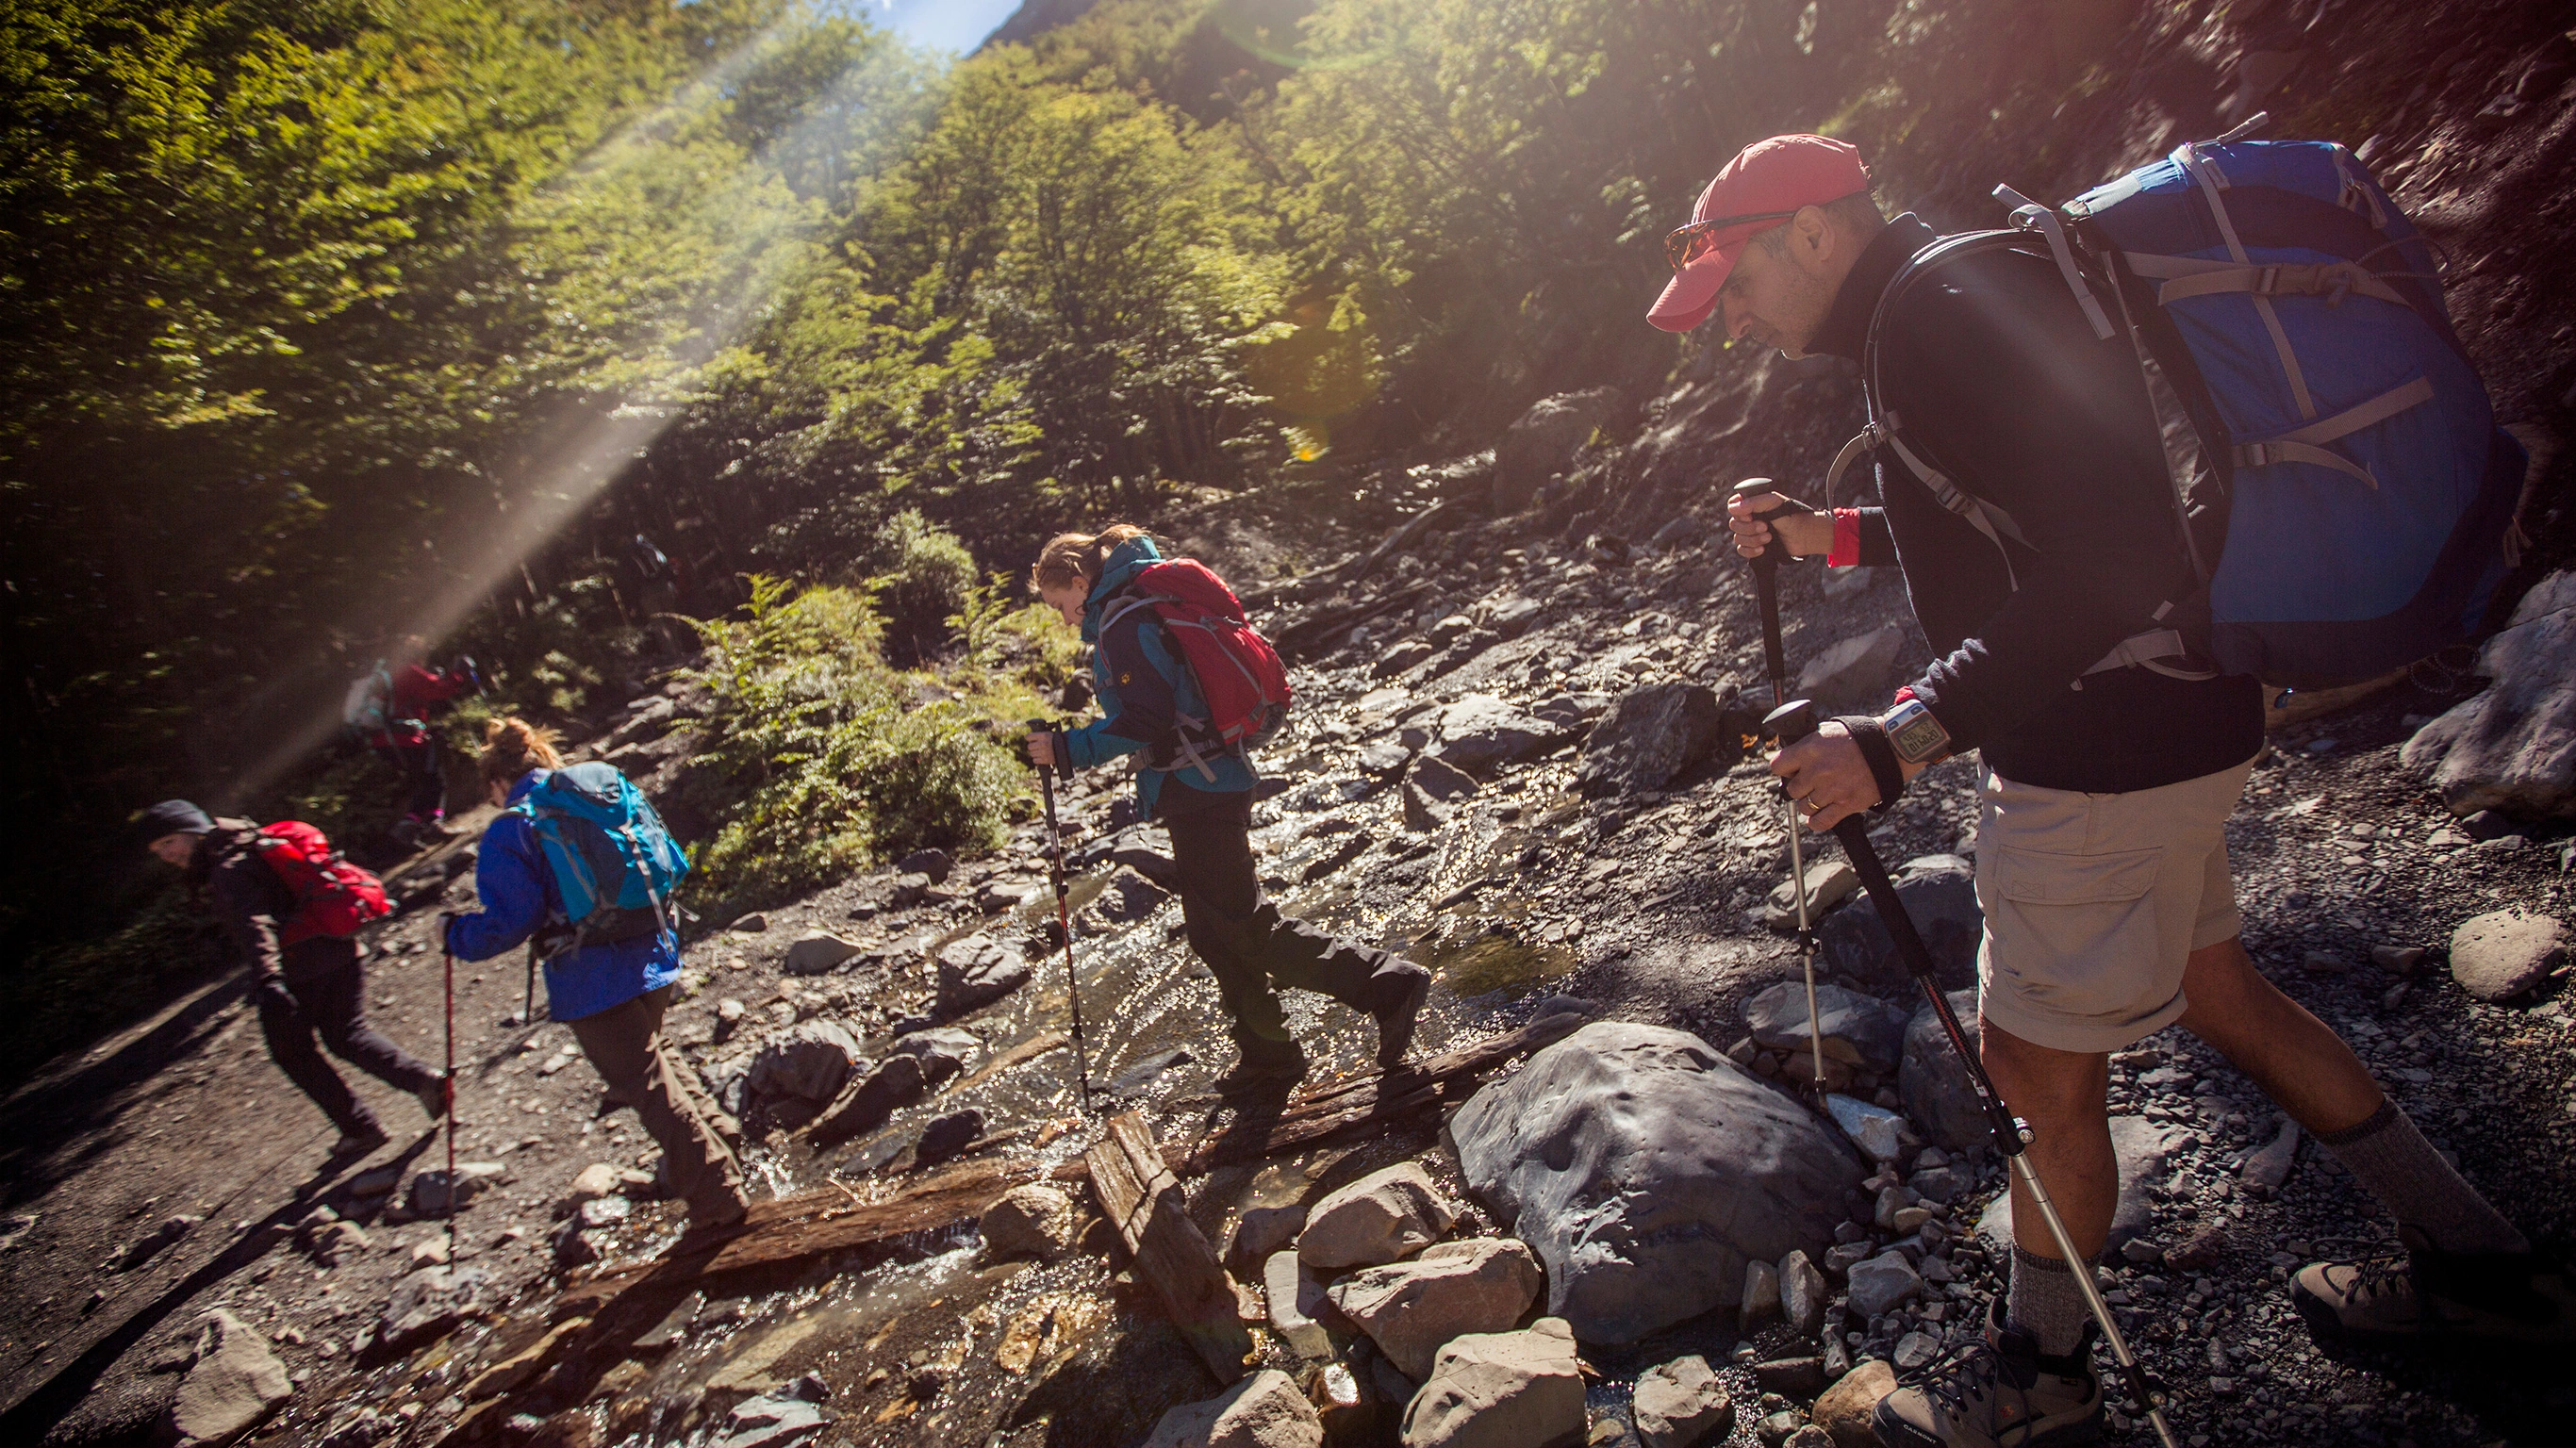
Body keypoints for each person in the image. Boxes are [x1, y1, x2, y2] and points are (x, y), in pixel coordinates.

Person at [1645, 133, 2570, 1445]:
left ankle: (2041, 1383)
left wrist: (1899, 740)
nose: (1730, 320)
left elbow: (2119, 553)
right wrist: (1824, 532)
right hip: (2168, 719)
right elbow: (2014, 515)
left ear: (1811, 232)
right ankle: (2482, 1268)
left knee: (2033, 1070)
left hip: (2101, 754)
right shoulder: (1941, 292)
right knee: (2220, 994)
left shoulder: (1938, 315)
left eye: (1734, 285)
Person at [1022, 526, 1430, 1088]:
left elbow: (1146, 719)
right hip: (1204, 779)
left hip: (1202, 786)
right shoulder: (1139, 603)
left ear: (1078, 580)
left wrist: (1067, 748)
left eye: (1060, 605)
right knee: (1213, 933)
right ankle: (1268, 1055)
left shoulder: (1123, 621)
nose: (1066, 620)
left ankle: (1387, 984)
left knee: (1247, 928)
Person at [440, 719, 749, 1230]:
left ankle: (718, 1198)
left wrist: (454, 934)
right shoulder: (596, 792)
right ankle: (723, 1137)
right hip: (653, 947)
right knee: (653, 1052)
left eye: (489, 790)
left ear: (497, 781)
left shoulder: (512, 827)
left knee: (642, 1082)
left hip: (592, 975)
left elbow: (508, 922)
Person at [135, 799, 445, 1158]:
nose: (166, 855)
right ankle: (423, 1082)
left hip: (301, 964)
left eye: (168, 842)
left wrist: (269, 980)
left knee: (292, 1051)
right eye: (158, 850)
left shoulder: (227, 869)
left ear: (193, 830)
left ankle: (362, 1128)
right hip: (339, 944)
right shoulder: (249, 840)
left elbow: (255, 926)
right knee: (345, 1035)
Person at [366, 636, 472, 847]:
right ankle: (415, 827)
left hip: (386, 739)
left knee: (425, 779)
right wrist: (459, 672)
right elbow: (440, 689)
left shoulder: (391, 673)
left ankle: (421, 827)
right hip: (404, 738)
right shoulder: (408, 671)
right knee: (431, 778)